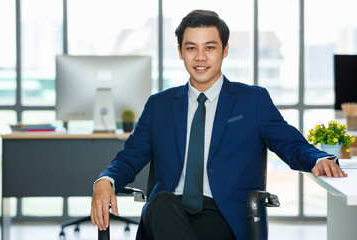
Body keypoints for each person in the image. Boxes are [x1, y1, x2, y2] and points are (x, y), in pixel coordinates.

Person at [91, 10, 347, 240]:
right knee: (161, 204)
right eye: (191, 48)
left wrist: (318, 158)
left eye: (210, 47)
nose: (200, 57)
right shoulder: (159, 105)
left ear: (224, 50)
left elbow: (289, 143)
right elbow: (129, 158)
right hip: (166, 211)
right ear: (180, 52)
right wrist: (106, 179)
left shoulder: (252, 101)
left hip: (223, 213)